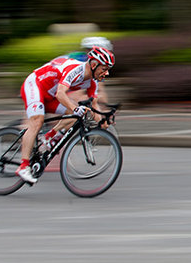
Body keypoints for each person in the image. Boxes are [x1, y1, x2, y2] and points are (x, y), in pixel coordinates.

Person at [16, 45, 116, 184]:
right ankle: (23, 166)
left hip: (49, 94)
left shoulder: (93, 81)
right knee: (37, 121)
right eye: (104, 69)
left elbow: (94, 105)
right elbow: (61, 93)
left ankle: (49, 137)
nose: (106, 73)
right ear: (93, 65)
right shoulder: (76, 70)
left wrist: (102, 120)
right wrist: (75, 108)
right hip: (35, 85)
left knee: (76, 115)